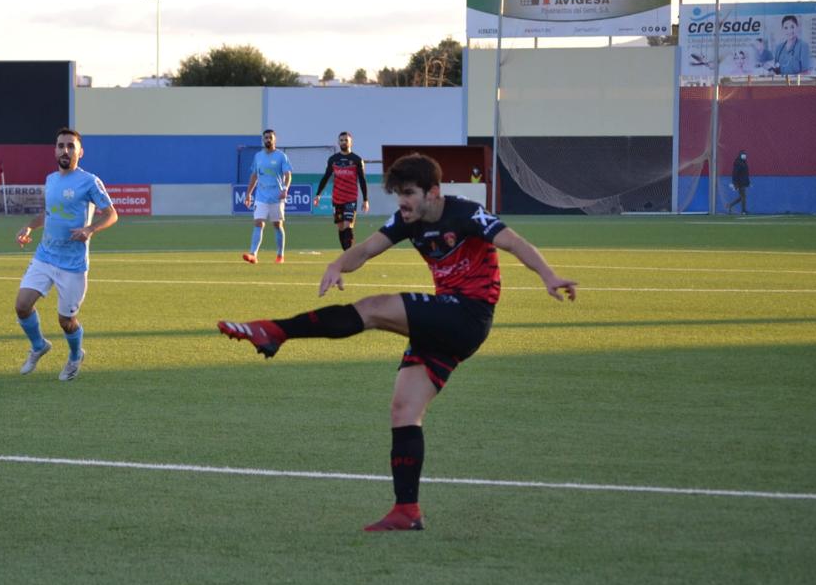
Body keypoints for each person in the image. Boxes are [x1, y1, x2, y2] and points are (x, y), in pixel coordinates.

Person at [217, 153, 577, 532]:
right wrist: (339, 264)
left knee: (372, 308)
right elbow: (368, 248)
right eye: (397, 194)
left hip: (468, 315)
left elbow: (514, 243)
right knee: (404, 409)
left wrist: (548, 276)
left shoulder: (468, 214)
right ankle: (407, 511)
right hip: (444, 324)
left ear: (433, 193)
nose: (401, 202)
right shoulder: (408, 220)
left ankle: (275, 332)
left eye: (408, 193)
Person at [14, 128, 118, 381]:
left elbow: (112, 214)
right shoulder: (51, 179)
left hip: (72, 264)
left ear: (80, 152)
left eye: (71, 146)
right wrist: (29, 226)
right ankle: (39, 346)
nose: (65, 150)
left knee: (66, 320)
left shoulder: (89, 181)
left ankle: (74, 356)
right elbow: (48, 213)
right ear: (54, 150)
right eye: (61, 145)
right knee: (22, 306)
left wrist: (90, 229)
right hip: (44, 256)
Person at [242, 129, 293, 264]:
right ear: (263, 140)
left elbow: (288, 175)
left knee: (277, 224)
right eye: (266, 137)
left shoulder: (281, 156)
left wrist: (285, 189)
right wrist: (248, 194)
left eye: (270, 137)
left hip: (276, 196)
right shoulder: (258, 156)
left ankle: (280, 255)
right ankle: (253, 254)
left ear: (275, 140)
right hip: (261, 196)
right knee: (258, 222)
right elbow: (254, 176)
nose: (268, 139)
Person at [313, 131, 369, 251]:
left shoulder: (356, 159)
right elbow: (326, 177)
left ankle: (350, 253)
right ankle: (346, 253)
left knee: (348, 225)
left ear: (351, 142)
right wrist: (318, 194)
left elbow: (362, 180)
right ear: (338, 142)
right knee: (341, 227)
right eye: (341, 140)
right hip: (337, 198)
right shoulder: (333, 159)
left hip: (351, 198)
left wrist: (365, 199)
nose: (343, 142)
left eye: (346, 140)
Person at [727, 150, 750, 215]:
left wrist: (748, 182)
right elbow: (735, 174)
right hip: (740, 182)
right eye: (743, 154)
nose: (744, 155)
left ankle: (730, 205)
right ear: (740, 155)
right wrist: (735, 183)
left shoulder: (744, 163)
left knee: (741, 197)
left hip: (743, 182)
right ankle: (743, 210)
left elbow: (746, 174)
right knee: (743, 197)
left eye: (745, 154)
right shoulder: (738, 163)